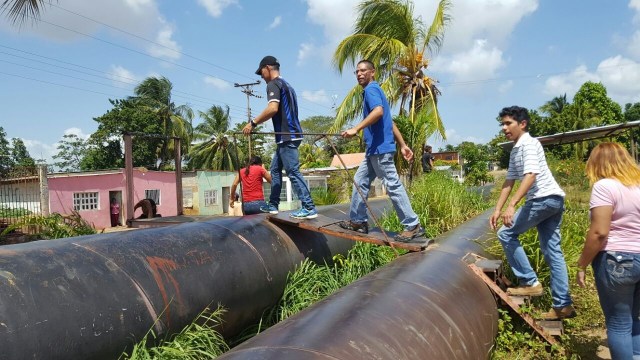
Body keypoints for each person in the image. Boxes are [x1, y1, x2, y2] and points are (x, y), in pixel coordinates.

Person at [489, 105, 575, 320]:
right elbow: (509, 181)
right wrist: (498, 208)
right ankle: (563, 305)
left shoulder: (528, 144)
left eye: (508, 123)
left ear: (523, 124)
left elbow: (530, 175)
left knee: (506, 234)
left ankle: (529, 282)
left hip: (542, 199)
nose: (504, 128)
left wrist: (512, 206)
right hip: (554, 199)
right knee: (552, 251)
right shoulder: (516, 148)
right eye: (503, 124)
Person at [338, 59, 425, 243]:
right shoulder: (376, 91)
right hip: (374, 149)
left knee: (392, 185)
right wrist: (403, 145)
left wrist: (356, 129)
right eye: (357, 71)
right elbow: (389, 121)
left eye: (363, 71)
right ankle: (358, 221)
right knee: (360, 181)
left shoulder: (371, 90)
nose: (359, 74)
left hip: (380, 149)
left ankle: (412, 224)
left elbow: (378, 112)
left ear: (373, 72)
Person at [576, 142, 640, 359]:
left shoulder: (605, 186)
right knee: (633, 318)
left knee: (619, 323)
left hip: (617, 260)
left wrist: (582, 264)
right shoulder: (638, 186)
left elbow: (599, 232)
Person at [242, 55, 317, 219]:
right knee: (275, 169)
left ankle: (309, 207)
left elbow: (272, 108)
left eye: (261, 72)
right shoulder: (287, 85)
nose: (261, 76)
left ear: (268, 68)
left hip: (287, 136)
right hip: (291, 134)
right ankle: (273, 205)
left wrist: (252, 123)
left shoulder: (273, 84)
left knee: (292, 171)